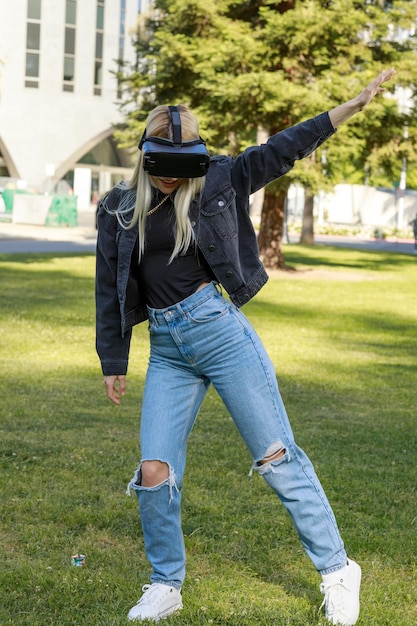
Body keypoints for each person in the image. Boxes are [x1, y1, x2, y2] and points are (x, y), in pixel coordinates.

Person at [96, 67, 395, 625]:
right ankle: (166, 583)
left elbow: (281, 149)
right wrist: (114, 359)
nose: (171, 179)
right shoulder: (117, 208)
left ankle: (336, 569)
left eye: (184, 166)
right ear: (146, 155)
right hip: (166, 347)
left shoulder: (218, 180)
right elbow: (107, 287)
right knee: (155, 470)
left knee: (276, 456)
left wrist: (350, 107)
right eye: (164, 166)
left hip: (219, 331)